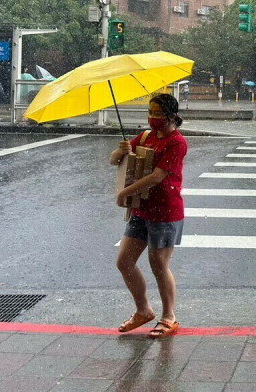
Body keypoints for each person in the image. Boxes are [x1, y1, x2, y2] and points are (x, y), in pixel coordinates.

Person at [109, 93, 188, 339]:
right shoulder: (146, 136)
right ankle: (143, 310)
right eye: (150, 113)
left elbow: (157, 175)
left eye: (158, 114)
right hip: (141, 210)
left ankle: (169, 317)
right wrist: (120, 151)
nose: (153, 118)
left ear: (172, 116)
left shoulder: (177, 143)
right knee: (124, 262)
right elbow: (114, 161)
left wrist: (125, 192)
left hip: (165, 212)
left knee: (158, 265)